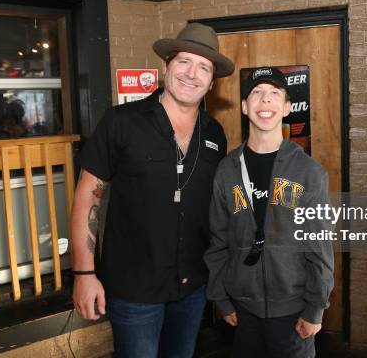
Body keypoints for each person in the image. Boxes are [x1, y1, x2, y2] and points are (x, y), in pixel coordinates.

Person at [71, 23, 234, 358]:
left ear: (212, 81)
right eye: (184, 62)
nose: (192, 74)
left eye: (204, 67)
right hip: (134, 288)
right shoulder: (121, 122)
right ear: (165, 67)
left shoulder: (215, 134)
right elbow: (88, 195)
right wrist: (84, 273)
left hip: (193, 287)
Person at [204, 67, 334, 358]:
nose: (265, 102)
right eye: (257, 94)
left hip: (293, 310)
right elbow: (218, 240)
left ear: (287, 107)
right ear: (244, 106)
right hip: (243, 310)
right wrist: (220, 298)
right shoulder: (226, 170)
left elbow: (320, 245)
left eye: (274, 94)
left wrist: (315, 307)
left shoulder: (308, 172)